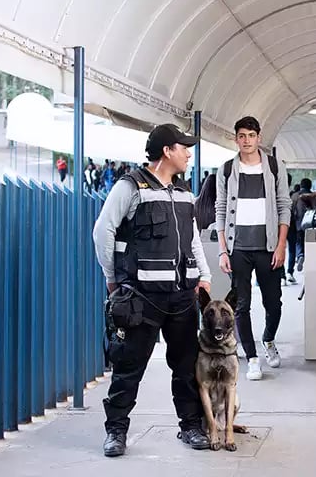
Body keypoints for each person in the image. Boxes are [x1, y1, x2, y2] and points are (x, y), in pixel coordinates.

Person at [92, 123, 213, 457]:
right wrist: (112, 278)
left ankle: (191, 426)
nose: (188, 153)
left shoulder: (186, 191)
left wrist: (204, 275)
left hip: (181, 296)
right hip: (141, 298)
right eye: (183, 147)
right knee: (129, 367)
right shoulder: (130, 187)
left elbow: (192, 239)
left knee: (187, 366)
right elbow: (103, 231)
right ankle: (116, 432)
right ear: (166, 151)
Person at [215, 116, 291, 381]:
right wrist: (223, 250)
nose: (246, 140)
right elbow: (221, 210)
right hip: (238, 249)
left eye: (251, 135)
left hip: (268, 247)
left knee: (274, 302)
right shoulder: (225, 170)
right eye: (241, 136)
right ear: (236, 139)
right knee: (240, 305)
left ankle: (268, 339)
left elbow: (284, 206)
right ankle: (252, 357)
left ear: (259, 137)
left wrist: (281, 245)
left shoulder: (274, 166)